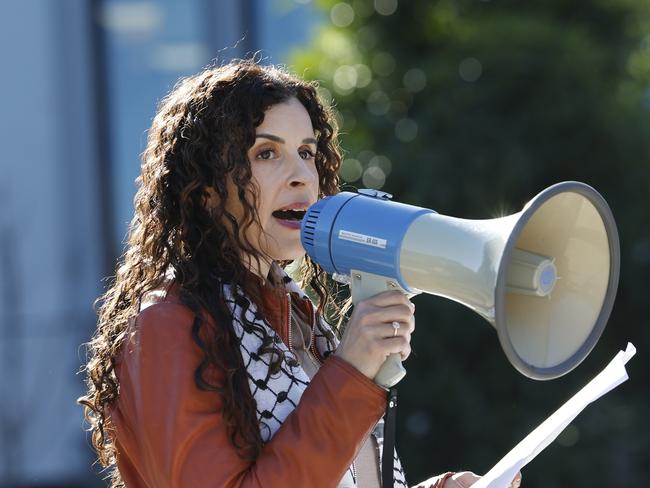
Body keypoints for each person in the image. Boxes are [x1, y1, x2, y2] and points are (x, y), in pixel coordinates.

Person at [78, 59, 521, 488]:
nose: (301, 177)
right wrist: (349, 373)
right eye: (266, 152)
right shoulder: (168, 322)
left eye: (307, 152)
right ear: (205, 189)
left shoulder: (300, 320)